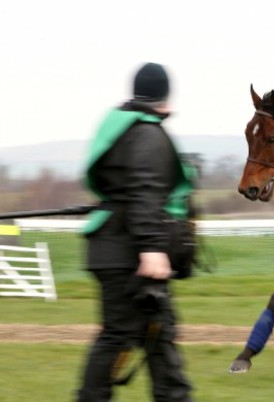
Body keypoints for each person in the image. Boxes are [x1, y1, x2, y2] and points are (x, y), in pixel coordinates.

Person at [76, 62, 195, 402]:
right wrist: (151, 248)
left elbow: (124, 189)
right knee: (126, 337)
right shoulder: (147, 133)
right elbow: (144, 191)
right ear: (165, 95)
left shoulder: (121, 128)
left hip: (113, 247)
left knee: (155, 338)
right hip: (131, 254)